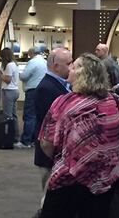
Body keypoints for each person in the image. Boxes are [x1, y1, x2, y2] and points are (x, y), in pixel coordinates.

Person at [39, 53, 119, 218]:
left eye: (73, 67)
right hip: (106, 180)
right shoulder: (117, 101)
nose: (70, 70)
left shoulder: (63, 103)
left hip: (68, 178)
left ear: (82, 74)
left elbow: (46, 143)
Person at [34, 48, 73, 201]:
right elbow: (50, 126)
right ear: (56, 66)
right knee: (48, 196)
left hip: (58, 152)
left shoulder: (61, 84)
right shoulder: (46, 88)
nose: (71, 68)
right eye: (68, 64)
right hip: (49, 152)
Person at [20, 47, 47, 147]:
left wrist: (20, 75)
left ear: (31, 53)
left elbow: (24, 76)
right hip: (42, 90)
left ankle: (26, 140)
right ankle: (34, 140)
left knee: (29, 115)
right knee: (37, 115)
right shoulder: (45, 62)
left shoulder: (33, 62)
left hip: (32, 90)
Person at [0, 48, 22, 147]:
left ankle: (9, 136)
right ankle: (16, 137)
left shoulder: (9, 66)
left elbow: (7, 80)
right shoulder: (14, 64)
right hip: (15, 91)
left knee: (8, 116)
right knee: (14, 116)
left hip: (8, 91)